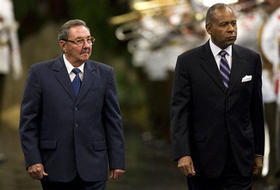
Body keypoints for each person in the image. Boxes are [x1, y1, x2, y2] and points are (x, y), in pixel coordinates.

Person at [19, 19, 125, 190]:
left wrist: (117, 160)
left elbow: (113, 121)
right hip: (54, 167)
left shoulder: (105, 74)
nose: (86, 45)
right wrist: (33, 160)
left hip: (93, 167)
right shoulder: (40, 73)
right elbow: (28, 122)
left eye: (89, 40)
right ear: (63, 45)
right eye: (79, 41)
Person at [170, 3, 264, 190]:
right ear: (209, 29)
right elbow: (180, 112)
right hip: (202, 161)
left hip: (240, 159)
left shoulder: (251, 59)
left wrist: (258, 153)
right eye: (224, 25)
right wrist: (183, 153)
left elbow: (255, 110)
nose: (231, 29)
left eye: (233, 24)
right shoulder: (188, 62)